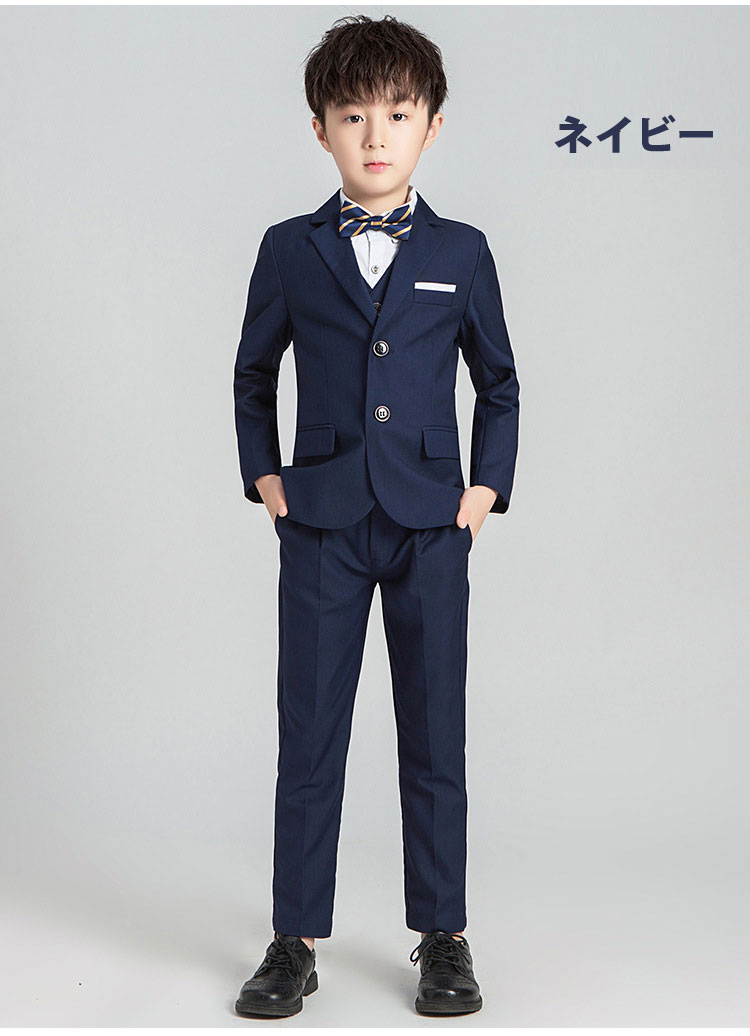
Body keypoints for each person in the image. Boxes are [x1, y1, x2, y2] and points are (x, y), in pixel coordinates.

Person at [232, 13, 520, 1018]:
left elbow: (499, 380)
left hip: (431, 522)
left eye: (398, 114)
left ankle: (444, 937)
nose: (376, 135)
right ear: (321, 129)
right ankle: (294, 939)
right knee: (309, 734)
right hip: (321, 520)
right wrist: (265, 476)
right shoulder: (289, 249)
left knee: (436, 734)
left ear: (433, 125)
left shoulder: (462, 251)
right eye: (353, 116)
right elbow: (253, 372)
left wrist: (485, 490)